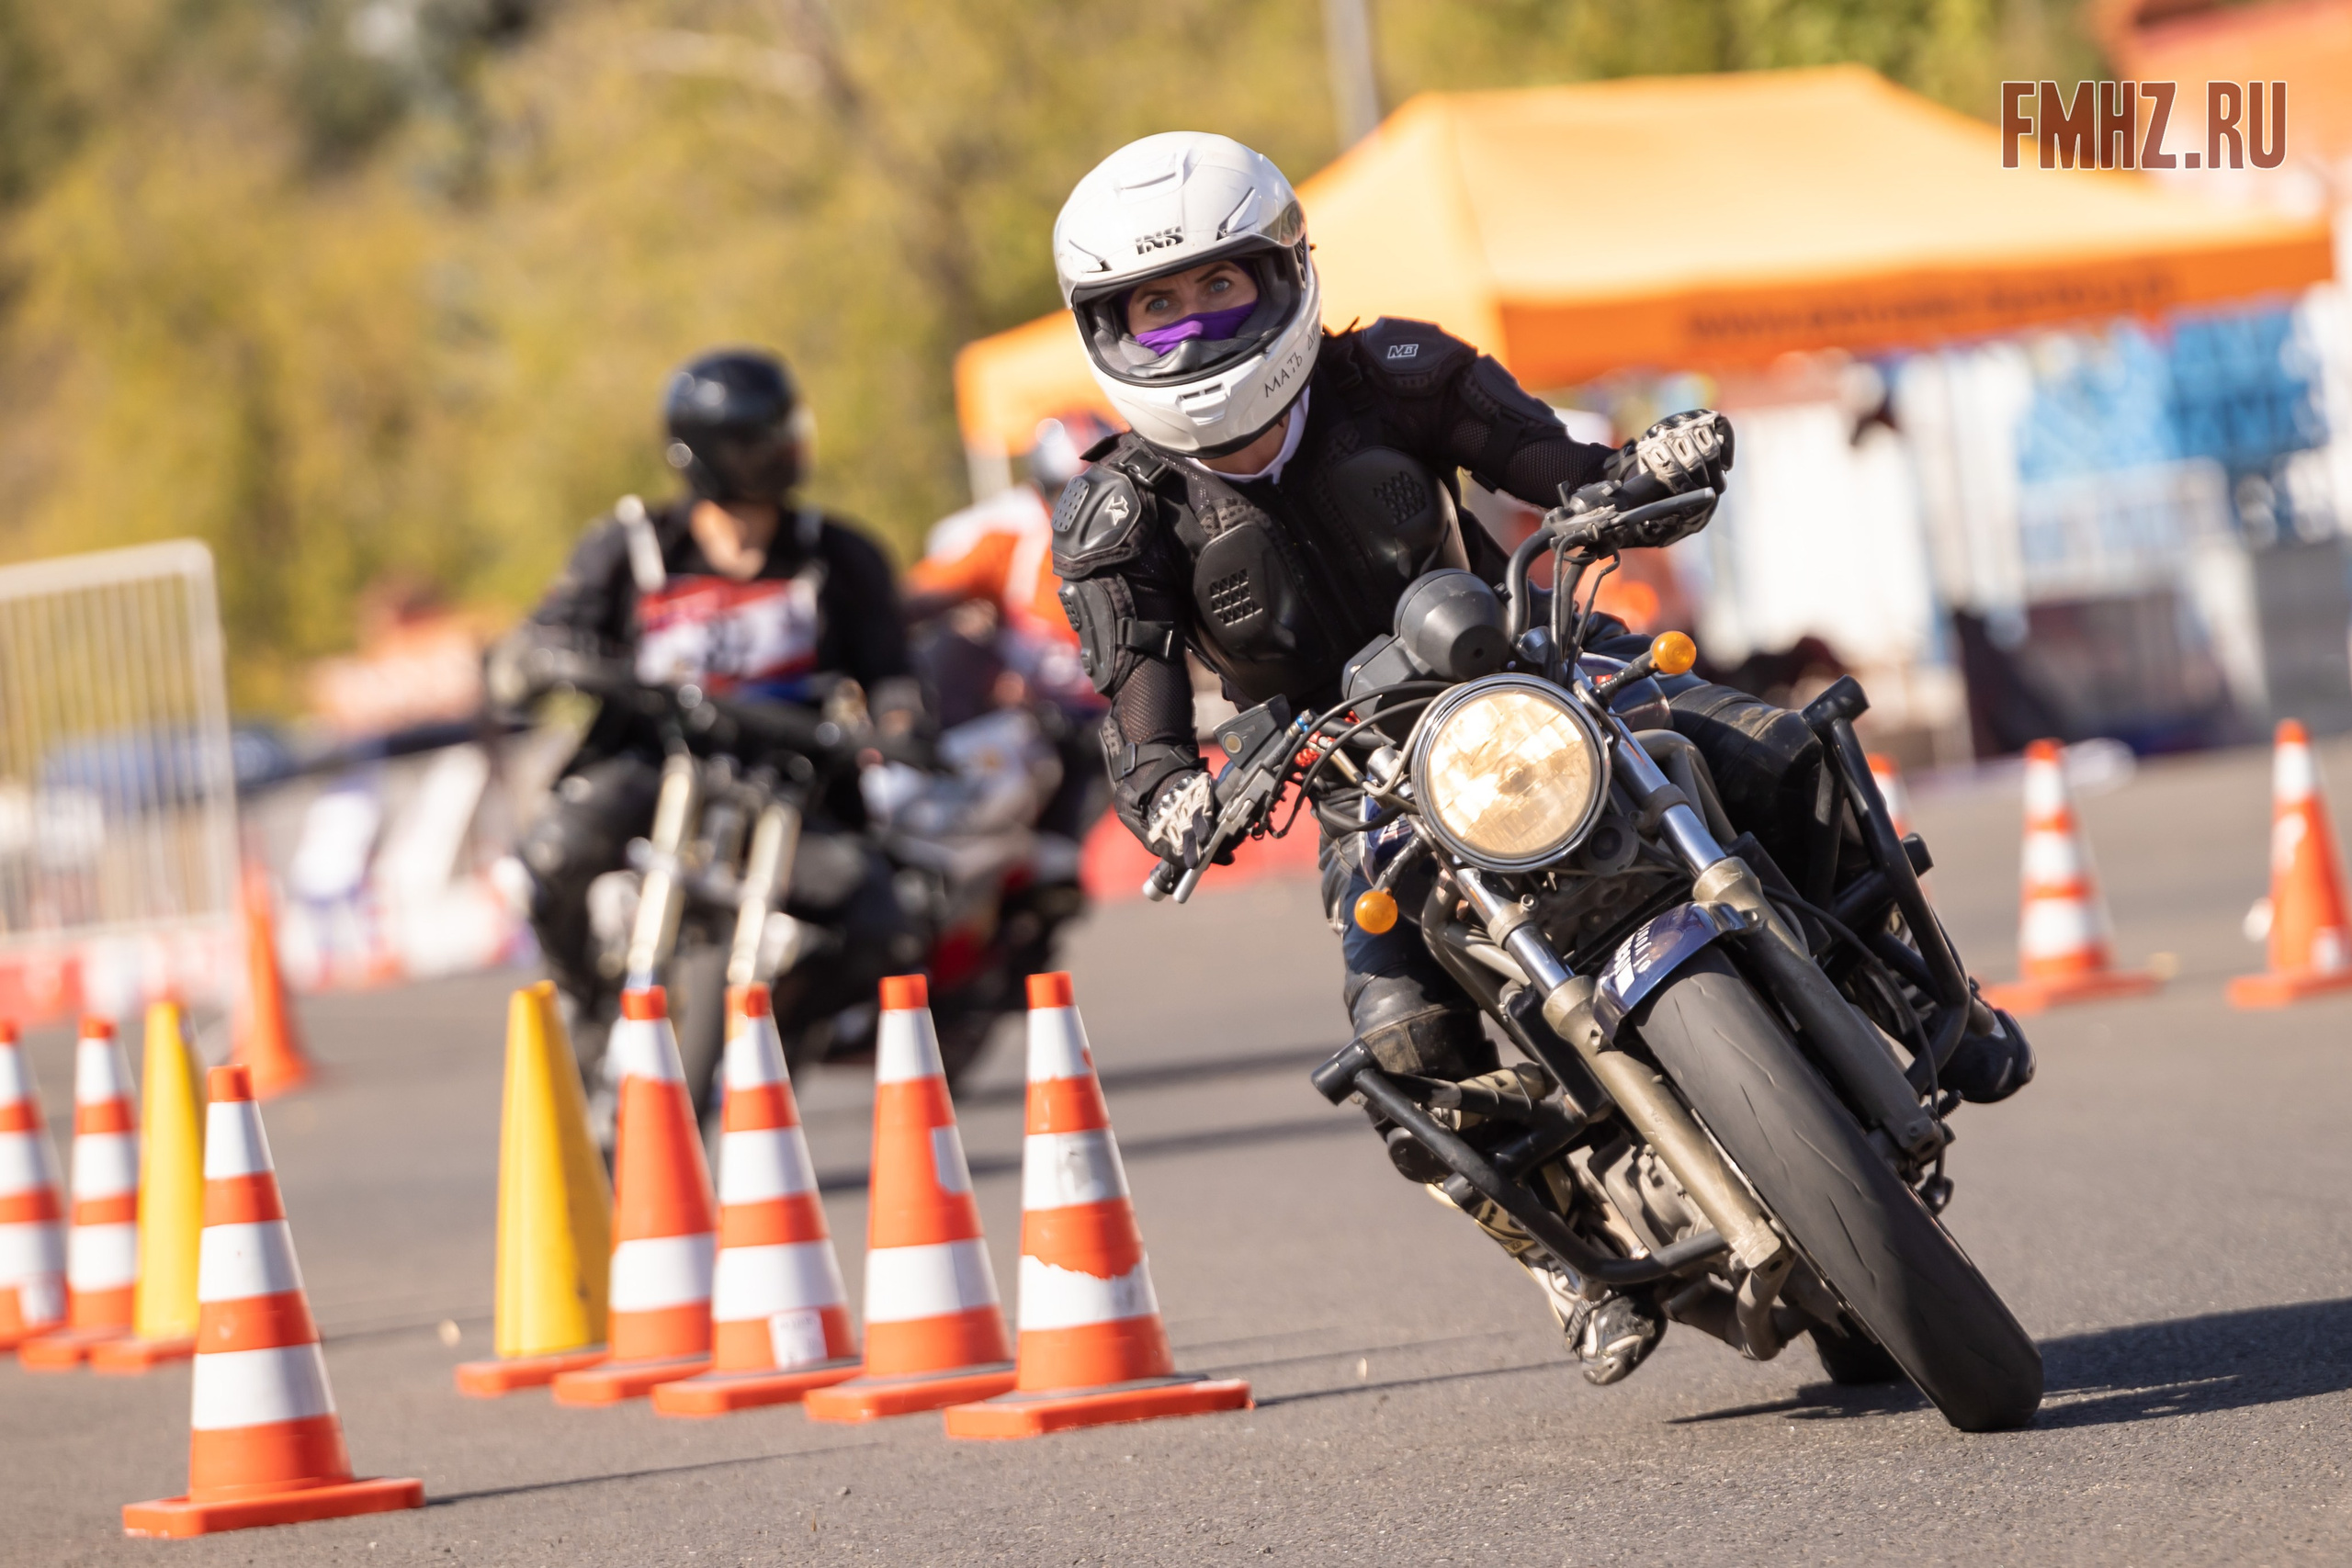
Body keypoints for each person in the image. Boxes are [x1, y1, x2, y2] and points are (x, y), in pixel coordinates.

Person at [1046, 132, 2033, 1382]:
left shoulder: (1394, 369)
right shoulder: (1117, 516)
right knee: (1399, 1033)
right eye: (1157, 305)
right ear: (1108, 327)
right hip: (1350, 765)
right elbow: (1140, 717)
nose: (1191, 328)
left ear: (1282, 274)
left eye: (1216, 290)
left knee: (1779, 749)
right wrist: (1175, 794)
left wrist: (1636, 473)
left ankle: (1930, 992)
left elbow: (1560, 471)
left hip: (1523, 662)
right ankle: (1557, 1261)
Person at [493, 348, 924, 1129]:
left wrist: (898, 726)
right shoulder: (633, 545)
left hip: (793, 782)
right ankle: (586, 1003)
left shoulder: (840, 555)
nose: (789, 448)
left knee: (880, 922)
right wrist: (550, 654)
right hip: (654, 761)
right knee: (552, 857)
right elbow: (552, 628)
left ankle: (781, 1042)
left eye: (789, 428)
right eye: (766, 435)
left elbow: (893, 676)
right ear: (710, 451)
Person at [902, 417, 1114, 882]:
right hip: (1026, 729)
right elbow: (922, 594)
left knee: (1059, 868)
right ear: (1042, 493)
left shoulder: (1154, 554)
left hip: (1107, 734)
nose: (1084, 515)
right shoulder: (1011, 546)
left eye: (1100, 496)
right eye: (1068, 496)